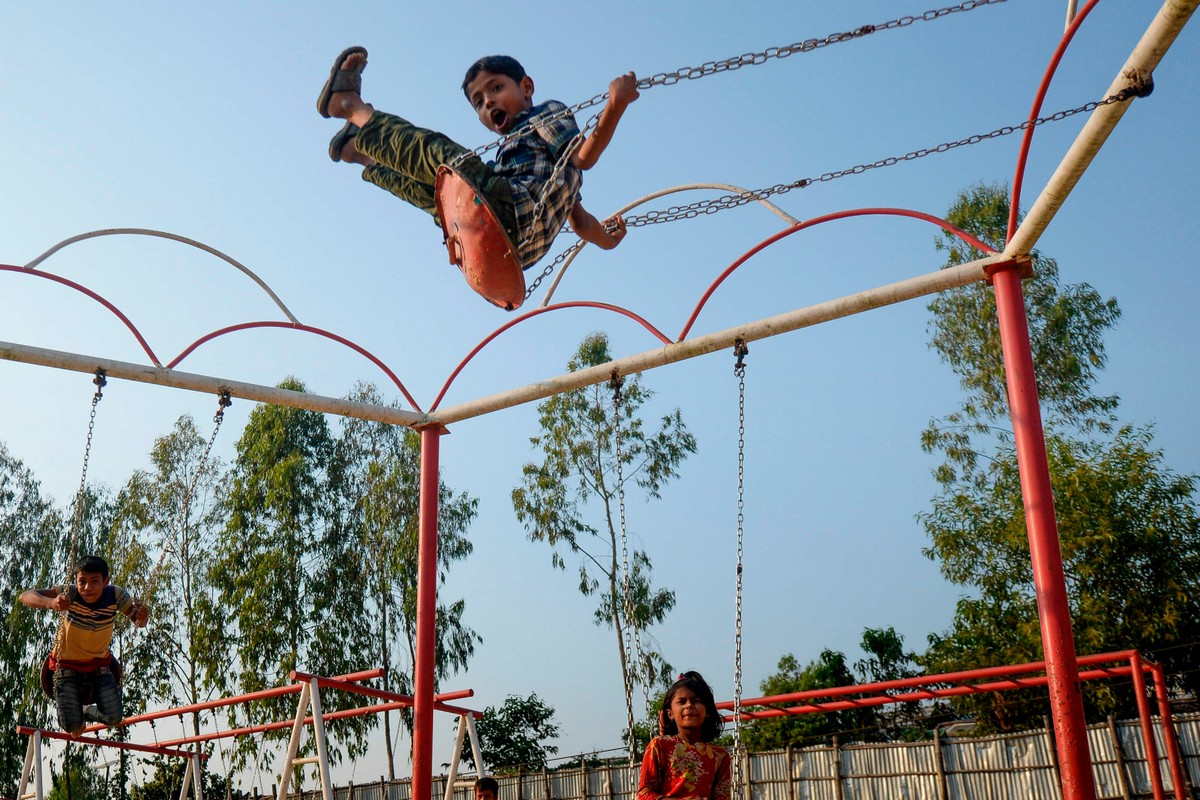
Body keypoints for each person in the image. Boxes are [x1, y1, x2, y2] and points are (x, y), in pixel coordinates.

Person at [316, 47, 638, 271]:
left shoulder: (546, 113)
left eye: (496, 87)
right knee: (436, 192)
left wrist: (615, 105)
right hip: (498, 249)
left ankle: (348, 105)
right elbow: (581, 223)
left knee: (438, 154)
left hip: (506, 218)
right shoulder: (539, 170)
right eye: (479, 102)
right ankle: (361, 154)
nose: (489, 101)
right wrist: (606, 242)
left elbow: (583, 157)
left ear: (526, 87)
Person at [19, 555, 149, 735]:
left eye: (94, 581)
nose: (87, 588)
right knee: (72, 727)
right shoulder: (70, 593)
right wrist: (51, 603)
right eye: (82, 581)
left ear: (106, 581)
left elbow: (138, 621)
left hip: (99, 665)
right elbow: (25, 596)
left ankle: (86, 712)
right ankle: (75, 716)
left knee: (114, 718)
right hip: (65, 666)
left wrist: (142, 618)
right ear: (76, 581)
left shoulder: (116, 595)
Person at [638, 671, 731, 800]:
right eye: (681, 702)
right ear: (670, 713)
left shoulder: (719, 755)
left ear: (707, 711)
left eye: (696, 701)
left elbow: (722, 796)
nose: (689, 705)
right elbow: (643, 793)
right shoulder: (660, 746)